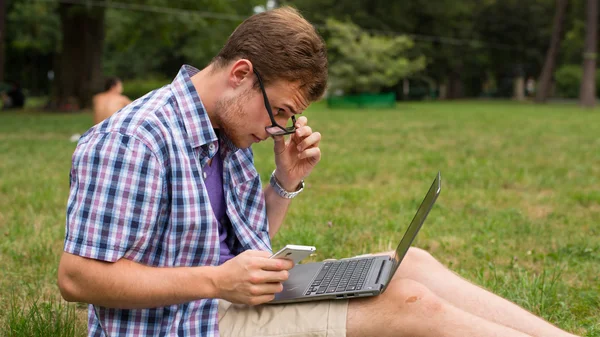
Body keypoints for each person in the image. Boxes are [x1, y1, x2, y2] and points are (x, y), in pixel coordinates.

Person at [57, 7, 580, 337]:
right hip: (185, 324)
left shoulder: (230, 127)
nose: (280, 129)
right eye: (280, 112)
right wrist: (218, 279)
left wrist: (284, 182)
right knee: (410, 303)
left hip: (227, 301)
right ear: (242, 74)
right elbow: (77, 278)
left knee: (411, 264)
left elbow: (245, 242)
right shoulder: (136, 139)